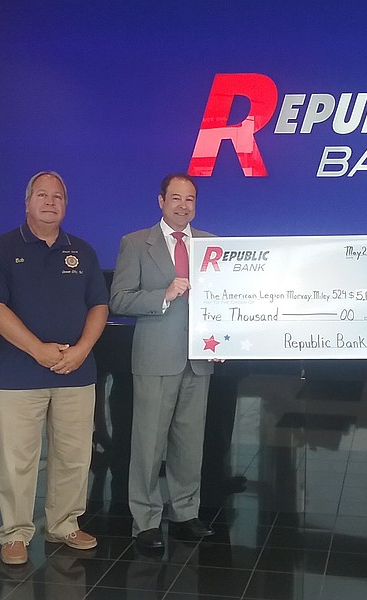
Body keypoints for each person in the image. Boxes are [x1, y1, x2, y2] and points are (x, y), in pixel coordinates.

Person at [0, 171, 109, 565]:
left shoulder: (82, 251)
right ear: (27, 202)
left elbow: (99, 306)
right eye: (42, 195)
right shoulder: (2, 249)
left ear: (65, 205)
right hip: (19, 376)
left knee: (73, 455)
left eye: (58, 196)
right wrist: (38, 350)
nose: (50, 202)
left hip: (76, 372)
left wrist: (82, 350)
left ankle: (64, 524)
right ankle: (15, 533)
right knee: (17, 459)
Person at [110, 173, 215, 551]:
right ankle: (146, 520)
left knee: (190, 443)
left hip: (200, 358)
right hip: (155, 358)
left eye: (190, 199)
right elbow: (119, 300)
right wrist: (164, 295)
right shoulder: (136, 243)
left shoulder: (211, 244)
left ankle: (185, 513)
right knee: (148, 443)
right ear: (160, 201)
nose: (183, 205)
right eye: (175, 198)